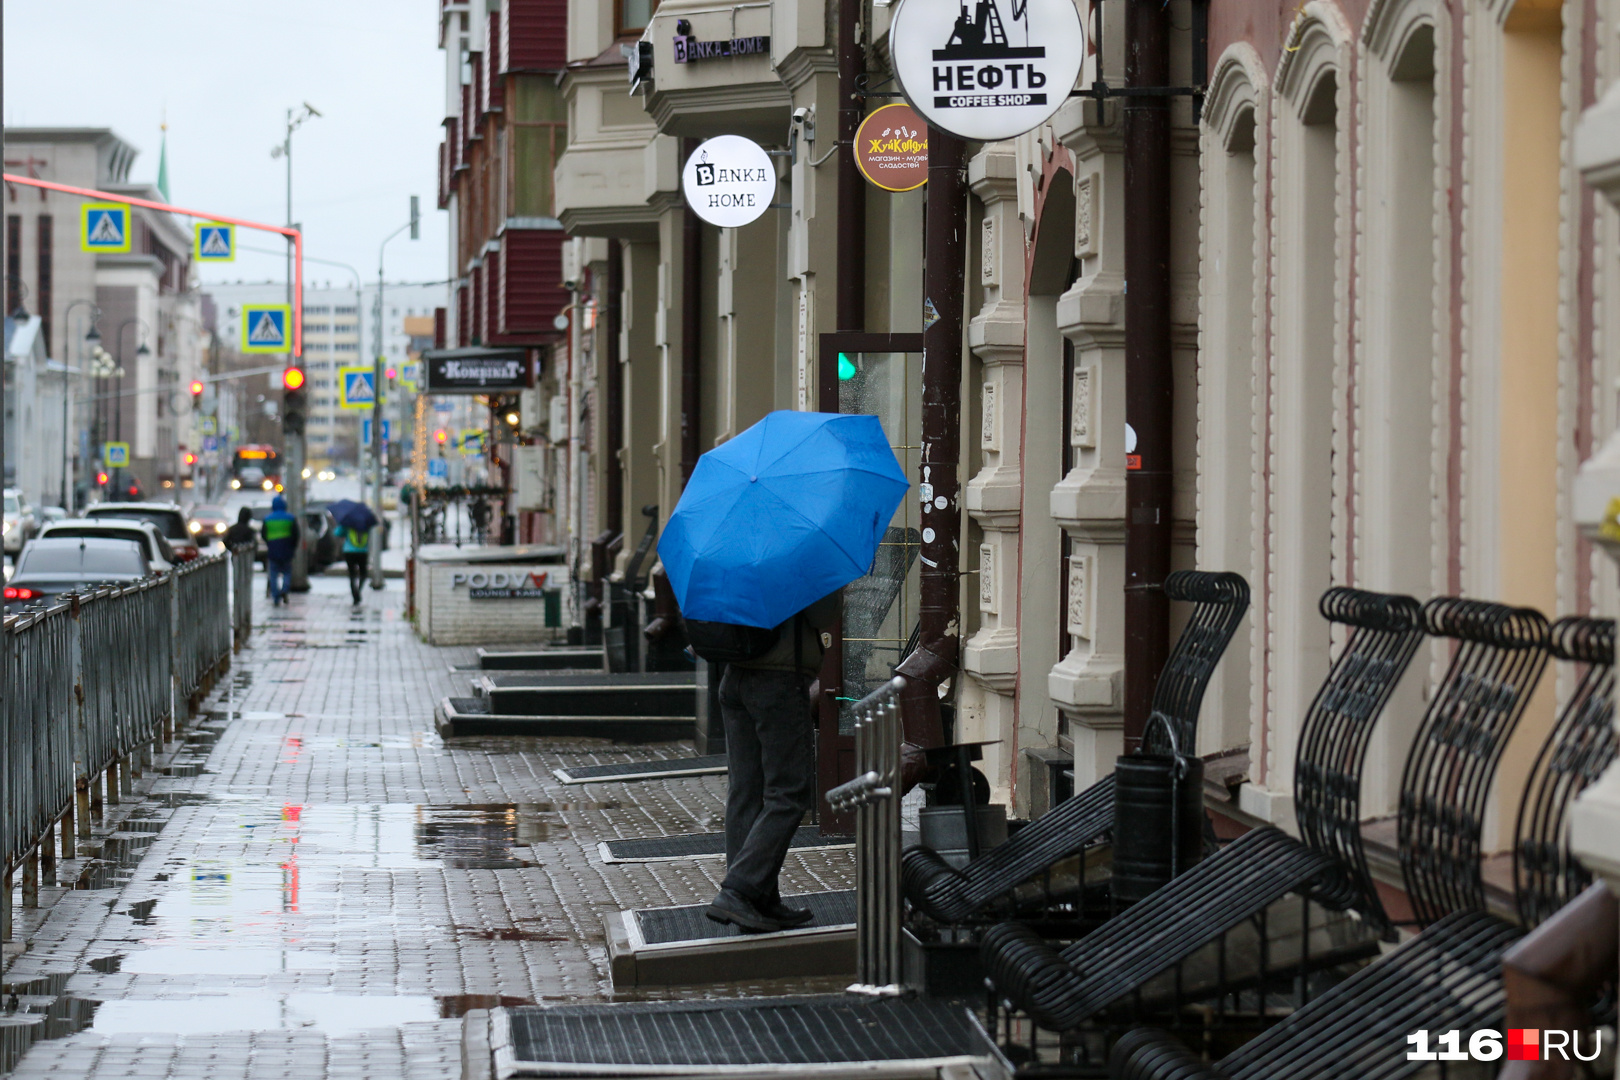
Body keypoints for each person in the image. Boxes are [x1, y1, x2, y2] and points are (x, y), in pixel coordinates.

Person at [706, 591, 841, 934]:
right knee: (789, 793)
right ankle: (740, 889)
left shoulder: (740, 551)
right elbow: (823, 615)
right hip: (778, 681)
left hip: (734, 676)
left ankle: (758, 900)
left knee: (745, 792)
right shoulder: (798, 553)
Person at [262, 495, 300, 607]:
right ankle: (284, 590)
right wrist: (293, 547)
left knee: (273, 574)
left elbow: (264, 534)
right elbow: (296, 534)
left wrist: (270, 543)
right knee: (287, 572)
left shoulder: (268, 519)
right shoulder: (291, 518)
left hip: (273, 550)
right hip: (287, 550)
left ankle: (276, 597)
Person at [341, 522, 370, 605]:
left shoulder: (347, 523)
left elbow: (337, 532)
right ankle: (358, 590)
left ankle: (355, 594)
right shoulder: (365, 524)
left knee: (352, 574)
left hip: (349, 551)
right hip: (363, 551)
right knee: (363, 573)